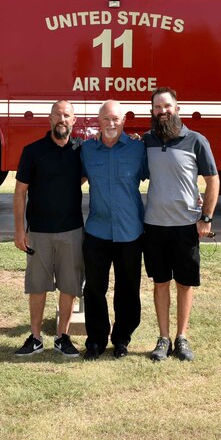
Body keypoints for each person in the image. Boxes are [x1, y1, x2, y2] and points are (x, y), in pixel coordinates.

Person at [143, 87, 219, 361]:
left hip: (186, 226)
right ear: (152, 112)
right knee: (160, 282)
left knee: (184, 283)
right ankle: (163, 338)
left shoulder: (196, 140)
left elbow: (213, 180)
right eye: (157, 107)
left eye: (167, 106)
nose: (163, 111)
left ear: (177, 108)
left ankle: (181, 337)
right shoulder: (146, 141)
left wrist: (206, 218)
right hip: (154, 225)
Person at [13, 100, 85, 358]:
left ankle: (62, 337)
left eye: (67, 115)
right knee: (37, 286)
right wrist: (20, 230)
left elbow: (87, 176)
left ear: (74, 120)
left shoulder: (80, 151)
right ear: (50, 119)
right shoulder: (32, 151)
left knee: (69, 285)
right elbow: (20, 192)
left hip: (72, 230)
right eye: (57, 115)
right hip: (39, 232)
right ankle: (35, 338)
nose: (62, 119)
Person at [80, 100, 148, 360]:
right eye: (106, 119)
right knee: (95, 288)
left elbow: (165, 175)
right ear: (99, 120)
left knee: (128, 288)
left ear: (124, 122)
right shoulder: (87, 150)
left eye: (116, 119)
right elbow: (70, 179)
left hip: (130, 232)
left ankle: (122, 339)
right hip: (97, 231)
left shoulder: (137, 149)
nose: (111, 124)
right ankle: (95, 341)